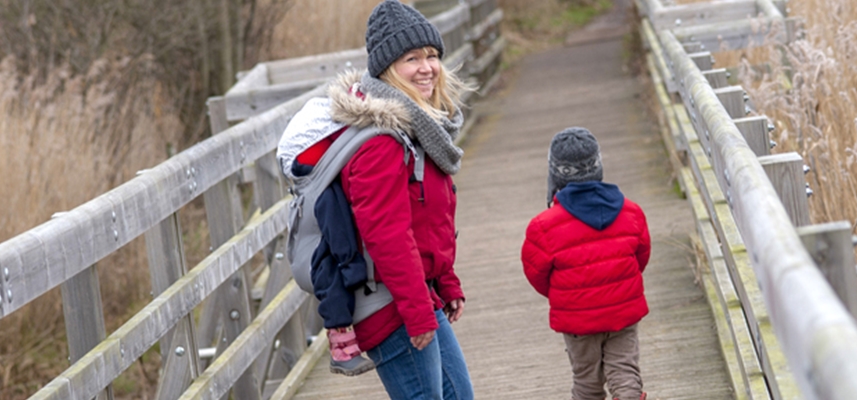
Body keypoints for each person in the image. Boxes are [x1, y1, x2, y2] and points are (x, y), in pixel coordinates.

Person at [276, 0, 474, 398]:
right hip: (392, 306)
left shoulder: (416, 128)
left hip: (418, 293)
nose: (427, 67)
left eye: (432, 55)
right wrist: (418, 315)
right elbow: (386, 237)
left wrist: (446, 282)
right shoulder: (380, 142)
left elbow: (426, 222)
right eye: (411, 58)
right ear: (385, 69)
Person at [520, 127, 651, 400]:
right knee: (625, 373)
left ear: (555, 173)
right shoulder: (631, 212)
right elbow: (640, 256)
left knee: (586, 383)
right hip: (622, 311)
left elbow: (537, 275)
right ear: (597, 166)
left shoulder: (543, 227)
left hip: (577, 318)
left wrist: (570, 292)